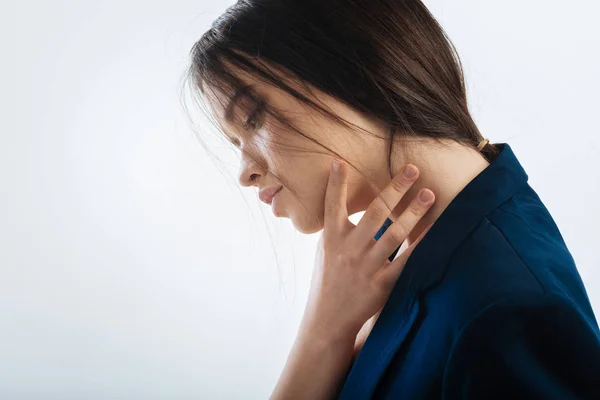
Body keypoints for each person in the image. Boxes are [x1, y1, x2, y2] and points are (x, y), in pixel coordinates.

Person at [183, 0, 600, 398]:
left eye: (253, 117)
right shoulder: (382, 248)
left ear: (356, 72)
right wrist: (325, 327)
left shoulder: (514, 311)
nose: (245, 171)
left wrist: (323, 331)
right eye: (235, 141)